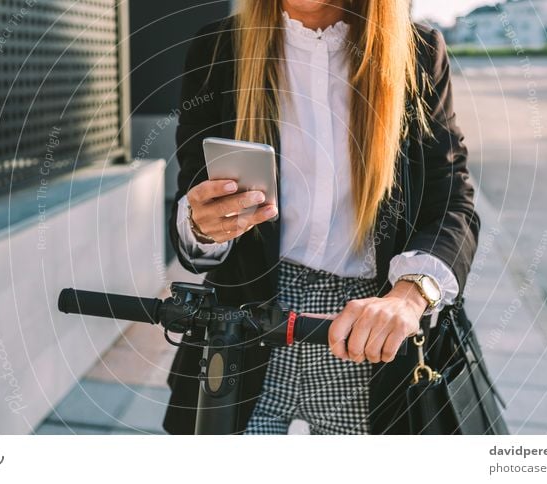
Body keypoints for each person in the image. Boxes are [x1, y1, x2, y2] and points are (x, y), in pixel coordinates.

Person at [163, 0, 479, 435]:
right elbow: (193, 201)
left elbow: (451, 201)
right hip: (246, 329)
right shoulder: (217, 48)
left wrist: (409, 295)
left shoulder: (418, 52)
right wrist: (203, 225)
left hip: (370, 330)